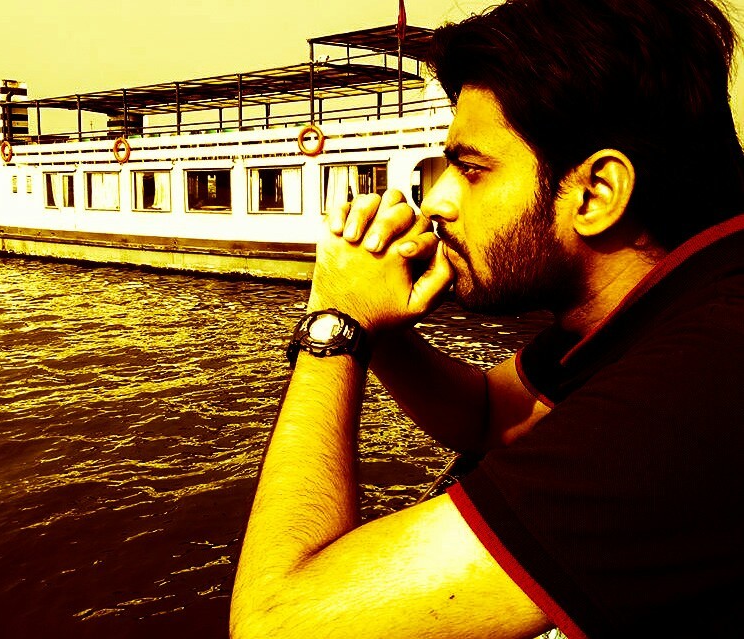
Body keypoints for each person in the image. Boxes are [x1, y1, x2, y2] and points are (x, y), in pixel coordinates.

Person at [229, 0, 744, 637]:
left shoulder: (701, 385)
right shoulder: (668, 298)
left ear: (596, 193)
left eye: (471, 170)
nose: (437, 200)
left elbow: (278, 622)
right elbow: (488, 415)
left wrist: (333, 327)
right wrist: (381, 327)